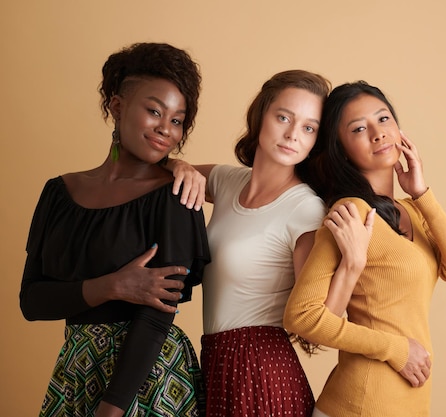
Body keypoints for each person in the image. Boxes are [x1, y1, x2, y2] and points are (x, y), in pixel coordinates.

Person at [169, 70, 378, 417]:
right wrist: (179, 165)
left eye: (309, 128)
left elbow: (318, 325)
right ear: (260, 115)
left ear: (316, 141)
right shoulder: (226, 181)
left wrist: (353, 264)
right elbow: (155, 173)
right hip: (219, 364)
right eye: (283, 117)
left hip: (262, 373)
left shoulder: (304, 209)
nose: (293, 135)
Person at [19, 42, 210, 417]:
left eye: (177, 120)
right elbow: (32, 301)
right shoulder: (57, 192)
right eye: (154, 111)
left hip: (147, 377)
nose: (165, 129)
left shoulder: (175, 196)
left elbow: (157, 316)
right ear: (118, 106)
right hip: (77, 368)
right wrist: (113, 285)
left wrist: (113, 407)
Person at [283, 81, 446, 417]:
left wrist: (422, 193)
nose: (378, 133)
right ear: (342, 149)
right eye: (359, 128)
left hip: (408, 405)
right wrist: (395, 348)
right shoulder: (351, 212)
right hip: (359, 403)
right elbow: (303, 316)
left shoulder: (415, 211)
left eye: (384, 119)